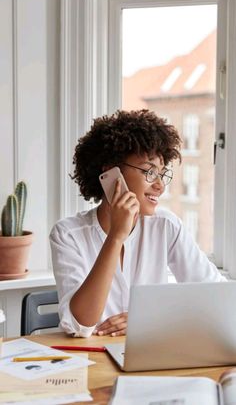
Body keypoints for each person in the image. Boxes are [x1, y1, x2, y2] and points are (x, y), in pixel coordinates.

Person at [50, 109, 226, 338]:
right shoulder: (68, 234)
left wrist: (150, 317)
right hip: (90, 360)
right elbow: (80, 325)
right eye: (149, 172)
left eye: (163, 174)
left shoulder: (166, 226)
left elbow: (216, 295)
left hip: (149, 355)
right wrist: (116, 236)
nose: (160, 186)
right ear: (111, 173)